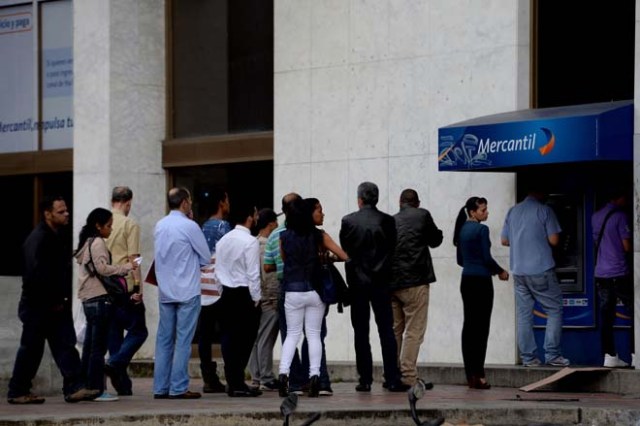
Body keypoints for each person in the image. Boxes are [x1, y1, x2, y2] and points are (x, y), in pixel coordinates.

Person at [7, 196, 98, 405]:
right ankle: (17, 391)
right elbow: (34, 277)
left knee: (65, 345)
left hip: (55, 305)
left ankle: (75, 387)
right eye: (60, 211)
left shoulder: (56, 236)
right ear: (48, 214)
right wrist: (50, 301)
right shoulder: (38, 239)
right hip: (39, 307)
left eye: (66, 210)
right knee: (31, 350)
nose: (66, 214)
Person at [339, 182, 410, 392]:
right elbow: (392, 248)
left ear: (359, 199)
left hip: (358, 283)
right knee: (386, 330)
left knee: (361, 331)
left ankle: (365, 379)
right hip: (381, 282)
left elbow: (346, 249)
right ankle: (392, 377)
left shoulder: (348, 221)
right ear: (376, 198)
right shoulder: (388, 221)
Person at [278, 198, 349, 397]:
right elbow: (344, 255)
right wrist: (328, 257)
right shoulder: (319, 236)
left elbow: (285, 260)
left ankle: (284, 375)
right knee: (314, 335)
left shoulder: (284, 237)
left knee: (292, 335)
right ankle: (315, 377)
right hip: (315, 292)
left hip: (292, 291)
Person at [153, 187, 211, 399]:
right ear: (185, 202)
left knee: (164, 340)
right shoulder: (190, 225)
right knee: (183, 340)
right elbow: (205, 258)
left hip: (165, 289)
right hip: (187, 289)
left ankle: (160, 387)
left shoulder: (159, 225)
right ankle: (178, 387)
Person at [501, 190, 569, 367]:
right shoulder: (545, 210)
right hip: (541, 269)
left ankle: (529, 358)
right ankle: (553, 355)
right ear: (541, 192)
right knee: (554, 310)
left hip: (519, 272)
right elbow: (554, 240)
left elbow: (504, 241)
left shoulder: (512, 211)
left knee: (524, 315)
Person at [75, 207, 137, 402]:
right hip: (100, 298)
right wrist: (125, 267)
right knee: (98, 349)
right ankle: (97, 389)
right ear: (98, 226)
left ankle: (86, 386)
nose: (111, 229)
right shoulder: (98, 243)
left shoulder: (87, 242)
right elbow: (102, 268)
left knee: (89, 348)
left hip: (88, 299)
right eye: (108, 226)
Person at [453, 197, 509, 389]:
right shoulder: (481, 230)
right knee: (481, 328)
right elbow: (487, 257)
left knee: (469, 327)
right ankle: (480, 374)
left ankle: (470, 374)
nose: (487, 213)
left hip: (466, 280)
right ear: (472, 212)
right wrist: (501, 271)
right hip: (481, 282)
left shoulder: (462, 230)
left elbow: (460, 259)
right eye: (483, 210)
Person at [390, 189, 443, 388]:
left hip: (393, 282)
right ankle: (408, 376)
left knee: (395, 330)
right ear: (417, 203)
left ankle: (392, 374)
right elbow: (435, 240)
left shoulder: (392, 220)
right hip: (416, 281)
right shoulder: (422, 215)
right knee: (414, 331)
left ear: (400, 202)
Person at [215, 201, 262, 397]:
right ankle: (238, 382)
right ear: (250, 217)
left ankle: (233, 380)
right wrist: (257, 297)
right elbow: (253, 273)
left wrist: (219, 291)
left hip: (226, 292)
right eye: (255, 213)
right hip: (244, 293)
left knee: (228, 338)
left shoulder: (223, 240)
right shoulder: (250, 241)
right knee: (245, 339)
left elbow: (217, 271)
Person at [104, 186, 149, 396]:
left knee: (114, 335)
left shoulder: (102, 223)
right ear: (128, 202)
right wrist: (138, 286)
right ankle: (114, 364)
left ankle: (123, 387)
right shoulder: (130, 224)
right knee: (140, 331)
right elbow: (134, 258)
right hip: (125, 285)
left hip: (105, 286)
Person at [592, 191, 634, 368]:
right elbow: (627, 246)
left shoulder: (595, 216)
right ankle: (635, 353)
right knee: (635, 314)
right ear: (618, 196)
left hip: (601, 273)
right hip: (619, 272)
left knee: (606, 317)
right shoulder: (621, 216)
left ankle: (609, 356)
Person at [198, 188, 231, 393]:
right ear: (221, 202)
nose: (229, 204)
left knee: (205, 334)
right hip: (219, 283)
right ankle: (230, 374)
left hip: (202, 285)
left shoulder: (201, 227)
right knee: (226, 331)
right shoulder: (223, 226)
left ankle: (208, 376)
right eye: (227, 200)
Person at [249, 208, 281, 391]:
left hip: (256, 298)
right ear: (271, 224)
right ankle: (265, 377)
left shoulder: (252, 243)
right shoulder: (267, 246)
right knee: (266, 338)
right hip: (268, 297)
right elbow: (268, 277)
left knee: (258, 337)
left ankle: (256, 376)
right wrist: (272, 298)